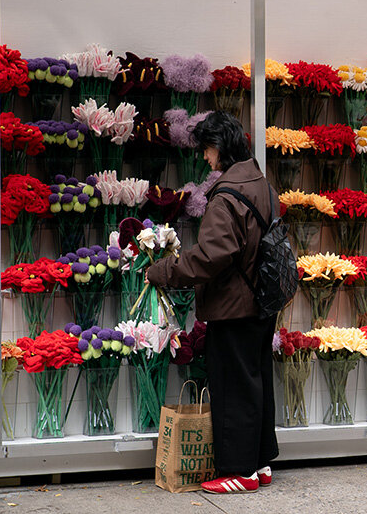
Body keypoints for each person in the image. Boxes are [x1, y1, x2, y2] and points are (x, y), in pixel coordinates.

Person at [146, 111, 280, 493]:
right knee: (257, 380)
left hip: (234, 305)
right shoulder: (261, 184)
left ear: (219, 148)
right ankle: (260, 461)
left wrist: (163, 270)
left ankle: (239, 471)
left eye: (206, 149)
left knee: (233, 385)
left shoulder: (226, 196)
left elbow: (211, 256)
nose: (205, 158)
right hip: (262, 299)